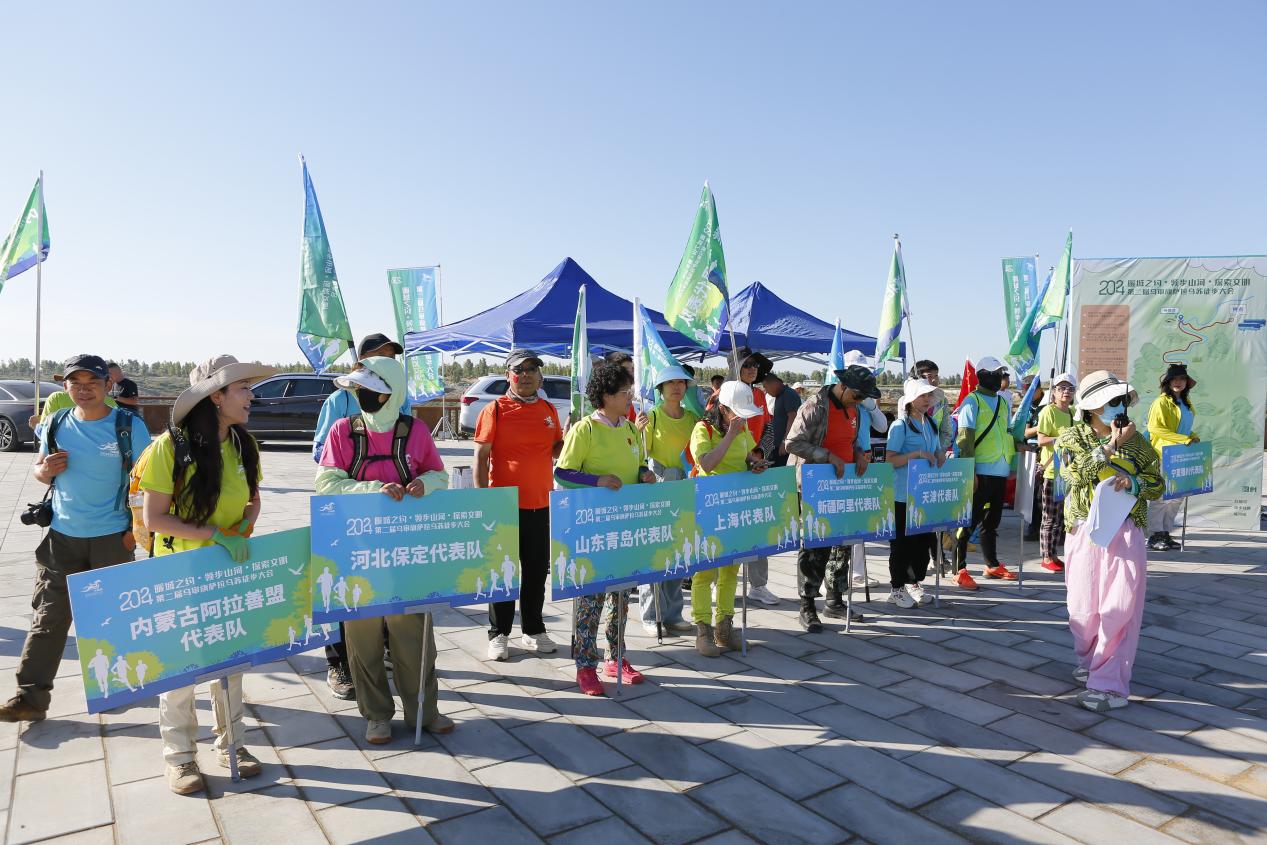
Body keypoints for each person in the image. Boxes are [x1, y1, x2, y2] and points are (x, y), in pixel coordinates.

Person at [139, 355, 269, 794]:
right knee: (179, 669)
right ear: (216, 396)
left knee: (230, 663)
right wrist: (216, 534)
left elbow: (253, 498)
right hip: (180, 573)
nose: (251, 396)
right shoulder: (170, 447)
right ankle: (180, 758)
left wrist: (245, 526)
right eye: (243, 388)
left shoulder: (245, 444)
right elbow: (155, 518)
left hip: (228, 572)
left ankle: (233, 745)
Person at [0, 354, 151, 725]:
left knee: (111, 620)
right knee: (48, 619)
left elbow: (145, 484)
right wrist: (44, 471)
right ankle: (30, 698)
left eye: (93, 383)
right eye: (76, 383)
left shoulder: (128, 426)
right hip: (62, 538)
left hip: (112, 538)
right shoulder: (55, 422)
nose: (84, 390)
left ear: (108, 386)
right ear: (65, 387)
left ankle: (117, 686)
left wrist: (135, 532)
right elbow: (40, 470)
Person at [315, 357, 455, 743]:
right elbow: (326, 483)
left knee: (414, 637)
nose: (361, 395)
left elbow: (440, 474)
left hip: (405, 552)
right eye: (358, 389)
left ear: (390, 393)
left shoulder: (416, 430)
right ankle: (376, 714)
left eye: (369, 389)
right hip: (356, 551)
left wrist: (427, 483)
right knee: (362, 640)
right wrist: (372, 490)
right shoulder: (343, 431)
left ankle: (424, 710)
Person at [1055, 370, 1162, 711]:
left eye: (1121, 400)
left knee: (1120, 608)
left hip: (1126, 530)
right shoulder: (1071, 437)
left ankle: (1110, 685)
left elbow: (1157, 484)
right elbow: (1074, 474)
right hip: (1084, 530)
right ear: (1091, 407)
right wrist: (1112, 445)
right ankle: (1091, 662)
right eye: (1111, 401)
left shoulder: (1139, 442)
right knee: (1082, 609)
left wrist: (1134, 484)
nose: (1118, 407)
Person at [311, 331, 403, 700]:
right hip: (346, 511)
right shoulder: (340, 400)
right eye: (381, 356)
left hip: (388, 512)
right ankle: (339, 663)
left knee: (383, 580)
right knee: (340, 588)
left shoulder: (400, 398)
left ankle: (384, 650)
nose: (388, 362)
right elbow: (321, 450)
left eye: (392, 357)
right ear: (362, 361)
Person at [554, 363, 654, 696]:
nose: (630, 398)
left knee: (621, 597)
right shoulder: (584, 430)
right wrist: (596, 481)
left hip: (624, 528)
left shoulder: (631, 429)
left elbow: (638, 464)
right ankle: (585, 665)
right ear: (607, 396)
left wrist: (644, 474)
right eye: (625, 393)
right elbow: (563, 472)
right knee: (590, 600)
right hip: (592, 529)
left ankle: (616, 656)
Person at [474, 349, 563, 660]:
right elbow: (481, 456)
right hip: (504, 506)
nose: (525, 375)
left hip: (540, 503)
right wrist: (483, 500)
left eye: (532, 369)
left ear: (540, 376)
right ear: (508, 375)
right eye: (519, 370)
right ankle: (498, 633)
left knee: (536, 572)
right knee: (503, 573)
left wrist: (572, 436)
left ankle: (533, 630)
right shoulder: (495, 410)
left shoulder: (548, 409)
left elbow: (555, 450)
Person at [785, 364, 876, 631]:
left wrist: (859, 454)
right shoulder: (815, 407)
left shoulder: (854, 408)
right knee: (815, 546)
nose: (860, 401)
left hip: (843, 486)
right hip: (815, 486)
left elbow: (850, 441)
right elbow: (792, 443)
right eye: (857, 395)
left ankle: (835, 599)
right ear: (843, 386)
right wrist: (827, 456)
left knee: (842, 544)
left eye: (863, 398)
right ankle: (807, 605)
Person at [689, 381, 768, 656]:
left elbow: (746, 455)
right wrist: (730, 435)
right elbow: (706, 463)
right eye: (738, 413)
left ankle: (724, 627)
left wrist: (755, 464)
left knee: (731, 568)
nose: (743, 419)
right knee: (705, 570)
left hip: (735, 507)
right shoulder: (703, 429)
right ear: (722, 409)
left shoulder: (742, 428)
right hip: (708, 506)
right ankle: (703, 630)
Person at [634, 365, 699, 637]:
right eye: (670, 383)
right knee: (655, 552)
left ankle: (673, 614)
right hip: (659, 488)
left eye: (681, 383)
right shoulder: (651, 416)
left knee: (679, 551)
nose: (676, 387)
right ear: (660, 389)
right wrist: (637, 432)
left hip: (684, 488)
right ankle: (651, 615)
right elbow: (639, 456)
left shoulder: (693, 418)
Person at [953, 355, 1022, 589]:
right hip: (979, 471)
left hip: (1000, 471)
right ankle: (959, 569)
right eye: (994, 374)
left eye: (1000, 373)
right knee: (968, 521)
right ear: (982, 376)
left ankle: (991, 564)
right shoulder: (972, 401)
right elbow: (965, 439)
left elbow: (1007, 433)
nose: (998, 377)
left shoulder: (1003, 402)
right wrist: (970, 471)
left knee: (991, 522)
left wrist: (1017, 453)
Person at [885, 379, 943, 608]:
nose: (927, 400)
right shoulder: (900, 426)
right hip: (902, 494)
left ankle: (913, 583)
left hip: (924, 494)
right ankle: (896, 588)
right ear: (910, 400)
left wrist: (940, 453)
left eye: (929, 395)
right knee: (901, 544)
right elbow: (890, 460)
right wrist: (916, 454)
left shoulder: (931, 423)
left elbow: (935, 448)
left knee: (922, 545)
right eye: (922, 395)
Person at [735, 350, 778, 605]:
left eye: (755, 366)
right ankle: (720, 583)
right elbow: (713, 429)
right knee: (728, 529)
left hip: (757, 468)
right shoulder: (721, 396)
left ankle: (758, 585)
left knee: (758, 526)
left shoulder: (760, 395)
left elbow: (769, 429)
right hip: (730, 470)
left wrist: (759, 453)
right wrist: (742, 456)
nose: (752, 369)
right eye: (747, 365)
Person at [1145, 364, 1198, 552]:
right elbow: (1154, 428)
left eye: (1182, 379)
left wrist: (1192, 436)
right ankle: (1154, 535)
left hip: (1181, 455)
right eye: (1174, 379)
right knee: (1161, 497)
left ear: (1186, 383)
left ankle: (1166, 533)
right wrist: (1184, 439)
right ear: (1167, 382)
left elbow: (1183, 428)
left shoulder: (1186, 403)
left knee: (1176, 497)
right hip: (1164, 454)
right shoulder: (1161, 402)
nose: (1178, 382)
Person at [1035, 373, 1076, 571]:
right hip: (1052, 472)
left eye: (1070, 388)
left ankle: (1054, 554)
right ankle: (1046, 557)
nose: (1066, 392)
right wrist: (1060, 439)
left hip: (1067, 472)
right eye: (1061, 388)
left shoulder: (1073, 413)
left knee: (1060, 517)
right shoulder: (1048, 411)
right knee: (1049, 518)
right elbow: (1041, 440)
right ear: (1054, 392)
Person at [761, 372, 801, 468]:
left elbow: (793, 418)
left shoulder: (788, 394)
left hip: (785, 446)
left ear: (774, 383)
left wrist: (785, 441)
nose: (766, 391)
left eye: (766, 387)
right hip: (778, 445)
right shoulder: (780, 395)